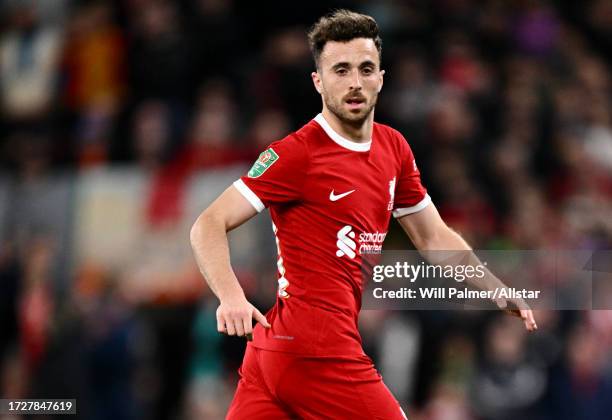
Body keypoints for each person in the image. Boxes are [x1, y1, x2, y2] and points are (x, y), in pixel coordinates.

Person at [190, 9, 537, 419]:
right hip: (316, 350)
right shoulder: (296, 153)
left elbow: (432, 237)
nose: (355, 82)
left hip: (275, 351)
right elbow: (208, 223)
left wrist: (494, 287)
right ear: (319, 81)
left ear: (381, 78)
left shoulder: (394, 149)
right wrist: (230, 296)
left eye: (365, 68)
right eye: (340, 70)